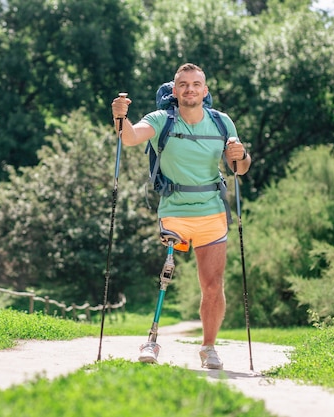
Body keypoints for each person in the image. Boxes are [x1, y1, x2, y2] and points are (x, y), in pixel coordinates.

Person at [111, 63, 251, 369]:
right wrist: (120, 116)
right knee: (167, 273)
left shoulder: (222, 123)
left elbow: (239, 167)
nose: (190, 89)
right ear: (175, 91)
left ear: (205, 90)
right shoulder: (162, 119)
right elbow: (131, 137)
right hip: (174, 210)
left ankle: (209, 348)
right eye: (184, 85)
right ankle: (151, 341)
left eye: (196, 84)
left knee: (212, 285)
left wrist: (241, 156)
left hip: (212, 211)